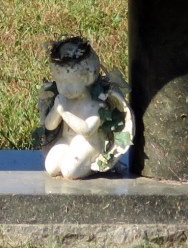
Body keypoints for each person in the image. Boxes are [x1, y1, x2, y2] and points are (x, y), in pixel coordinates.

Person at [37, 36, 131, 179]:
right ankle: (74, 160)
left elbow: (87, 130)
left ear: (87, 78)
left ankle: (95, 165)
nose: (63, 88)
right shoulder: (62, 100)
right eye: (59, 82)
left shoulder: (97, 103)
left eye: (69, 83)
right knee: (51, 168)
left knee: (69, 172)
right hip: (67, 140)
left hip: (89, 143)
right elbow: (50, 126)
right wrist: (56, 110)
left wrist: (64, 111)